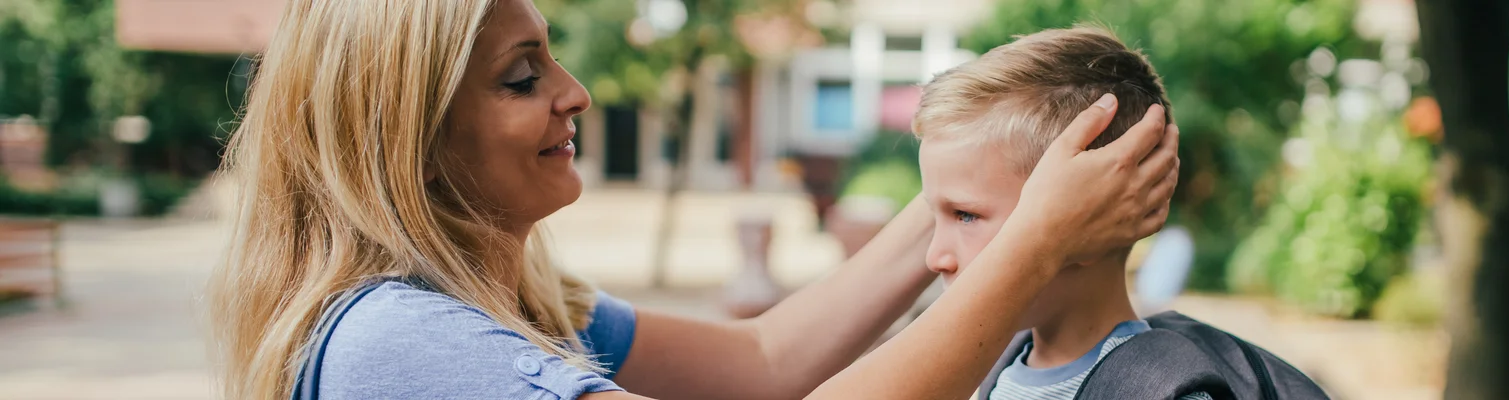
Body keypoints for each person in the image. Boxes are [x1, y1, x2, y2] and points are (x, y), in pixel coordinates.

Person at [204, 2, 1178, 399]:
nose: (574, 92)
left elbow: (764, 360)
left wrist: (990, 173)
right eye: (521, 75)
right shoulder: (402, 343)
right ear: (406, 132)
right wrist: (1033, 238)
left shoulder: (524, 308)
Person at [913, 27, 1322, 400]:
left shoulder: (1161, 390)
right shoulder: (996, 371)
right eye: (938, 216)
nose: (935, 257)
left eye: (965, 215)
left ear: (1093, 216)